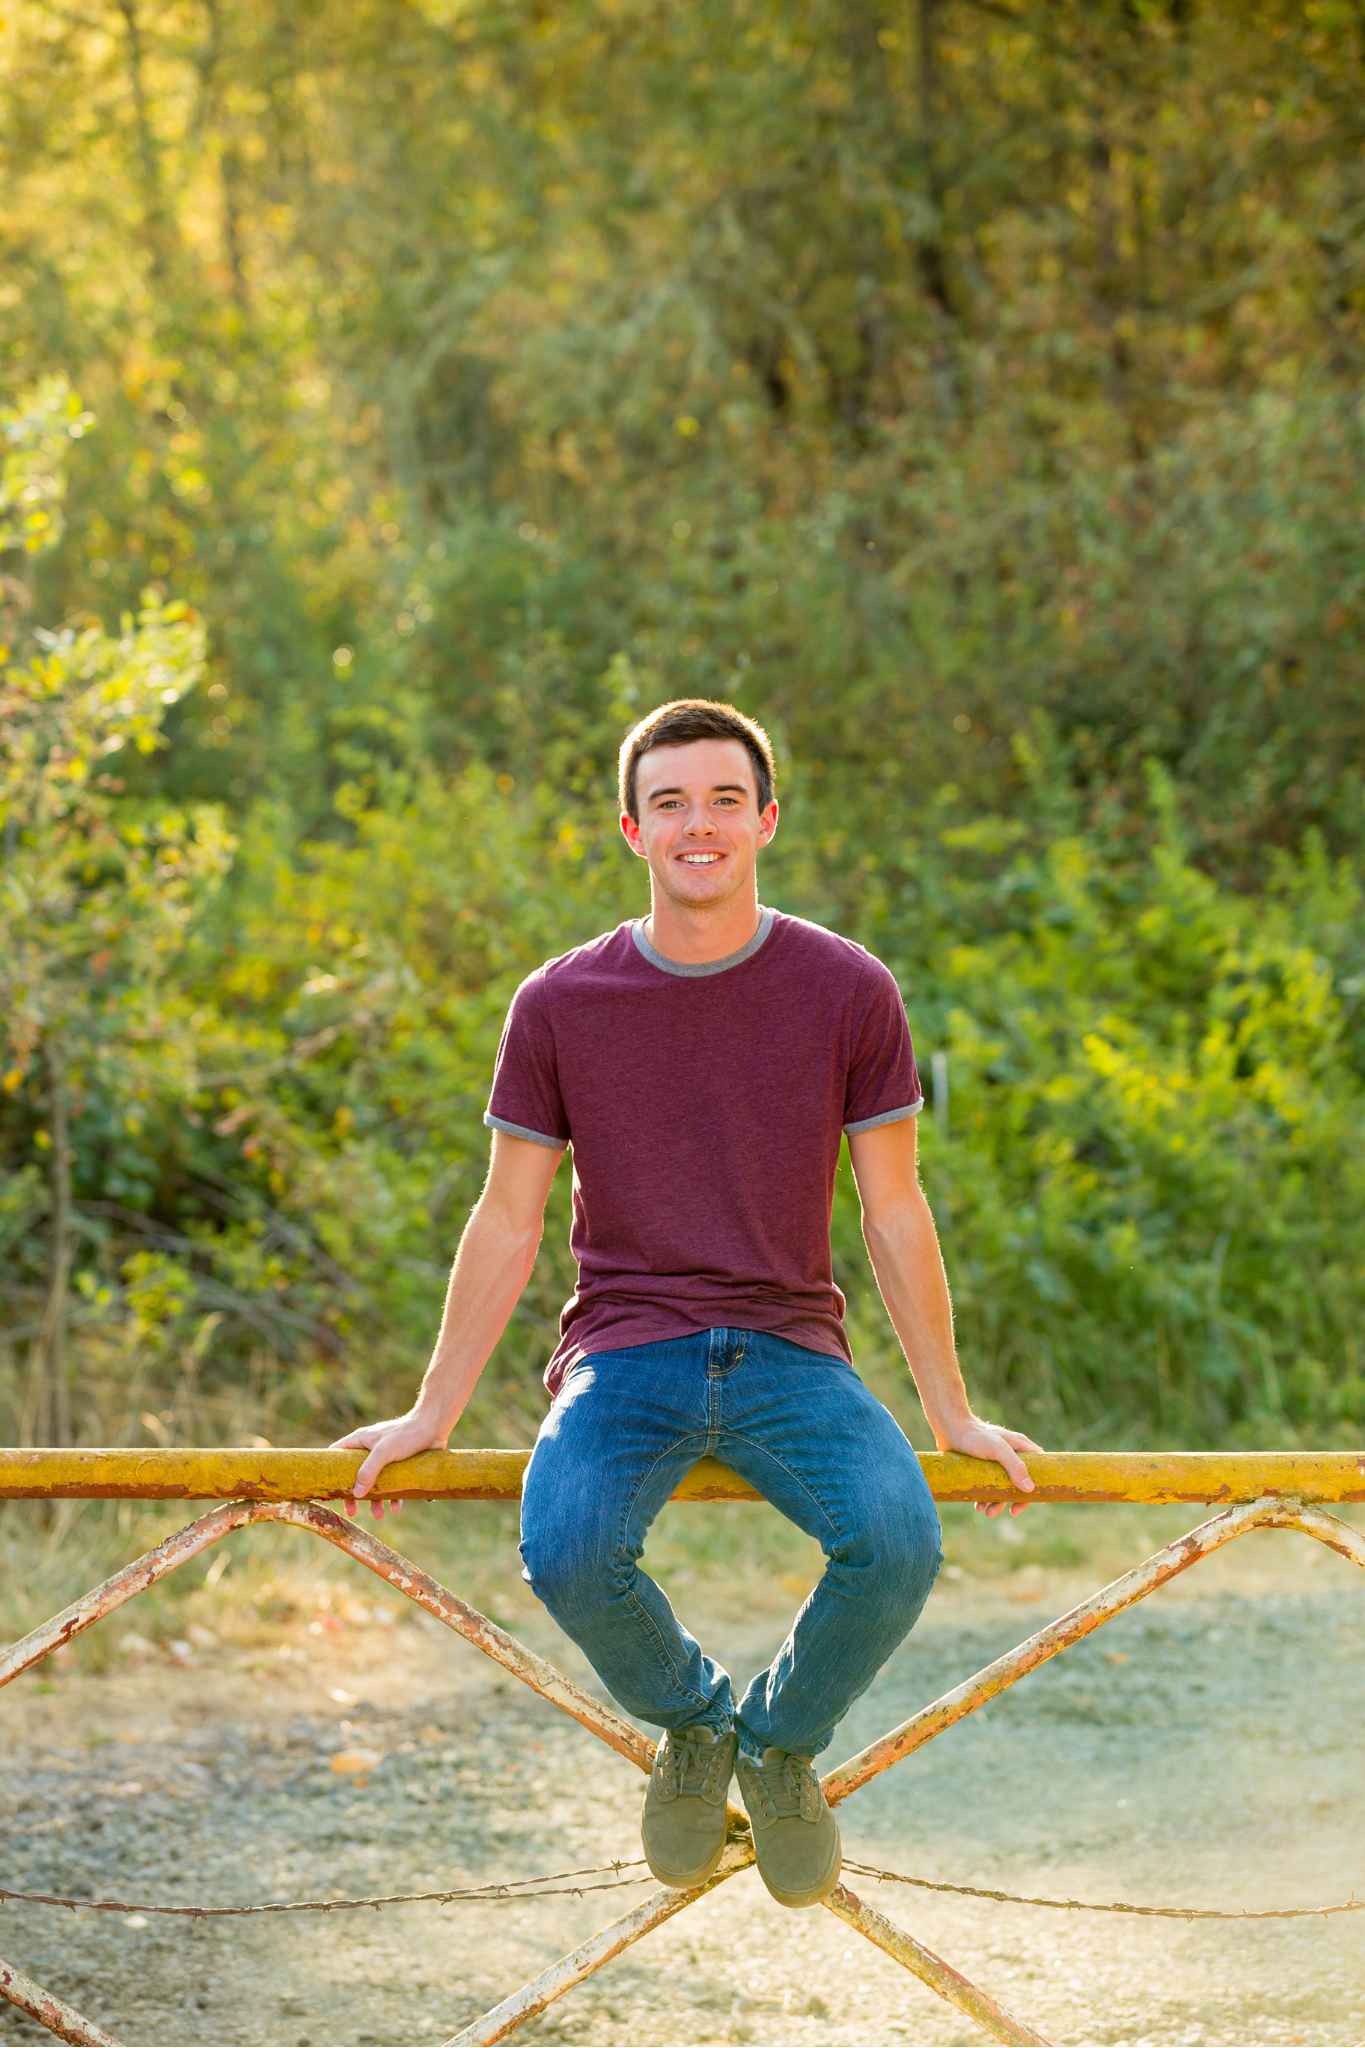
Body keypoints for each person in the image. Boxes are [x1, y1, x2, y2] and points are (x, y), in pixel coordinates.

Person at [331, 698, 1042, 1910]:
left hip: (791, 1347)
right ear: (631, 827)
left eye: (723, 799)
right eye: (670, 802)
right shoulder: (559, 1001)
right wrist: (427, 1410)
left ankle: (776, 1745)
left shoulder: (849, 988)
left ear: (766, 818)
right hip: (626, 1346)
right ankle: (695, 1720)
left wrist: (952, 1411)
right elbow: (506, 1219)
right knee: (566, 1545)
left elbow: (893, 1210)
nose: (697, 824)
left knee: (899, 1539)